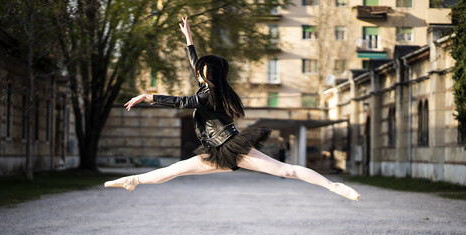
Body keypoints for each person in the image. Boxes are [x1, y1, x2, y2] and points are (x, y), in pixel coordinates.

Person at [105, 17, 360, 201]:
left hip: (230, 148)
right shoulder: (211, 87)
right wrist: (188, 39)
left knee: (287, 170)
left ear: (208, 74)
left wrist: (148, 96)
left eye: (202, 70)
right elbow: (197, 65)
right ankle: (133, 181)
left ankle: (333, 186)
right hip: (217, 151)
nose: (198, 72)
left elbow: (182, 102)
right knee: (175, 171)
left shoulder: (208, 94)